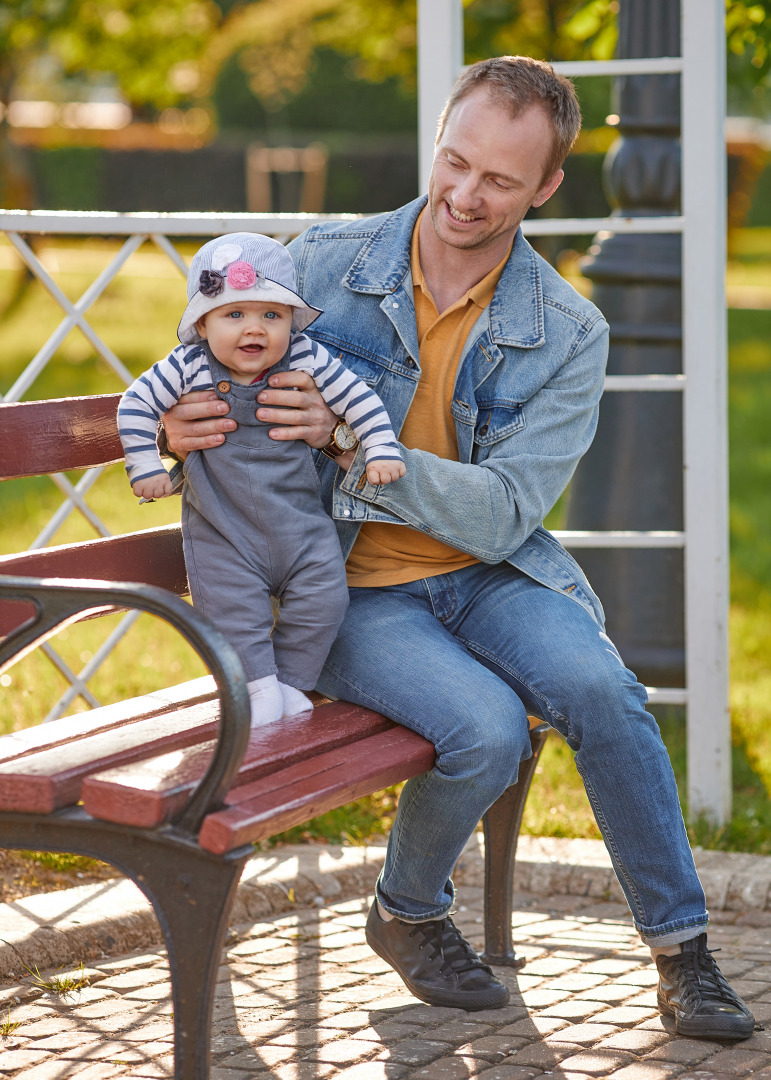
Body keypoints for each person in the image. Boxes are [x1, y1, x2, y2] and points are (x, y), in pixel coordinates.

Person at [160, 57, 755, 1038]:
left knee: (604, 693)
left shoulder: (568, 330)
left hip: (491, 575)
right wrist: (181, 429)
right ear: (438, 137)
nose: (465, 196)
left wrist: (363, 444)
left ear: (548, 187)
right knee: (482, 726)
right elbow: (202, 373)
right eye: (455, 161)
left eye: (500, 181)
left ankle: (682, 955)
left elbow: (501, 514)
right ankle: (409, 914)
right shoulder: (318, 264)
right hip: (340, 591)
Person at [119, 232, 404, 726]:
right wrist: (146, 463)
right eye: (235, 315)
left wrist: (378, 446)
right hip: (224, 532)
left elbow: (358, 399)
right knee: (235, 612)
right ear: (203, 324)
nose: (255, 330)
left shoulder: (304, 357)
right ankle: (254, 687)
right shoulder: (188, 367)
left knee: (325, 597)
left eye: (271, 315)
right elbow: (137, 404)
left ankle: (292, 681)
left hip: (300, 527)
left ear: (291, 322)